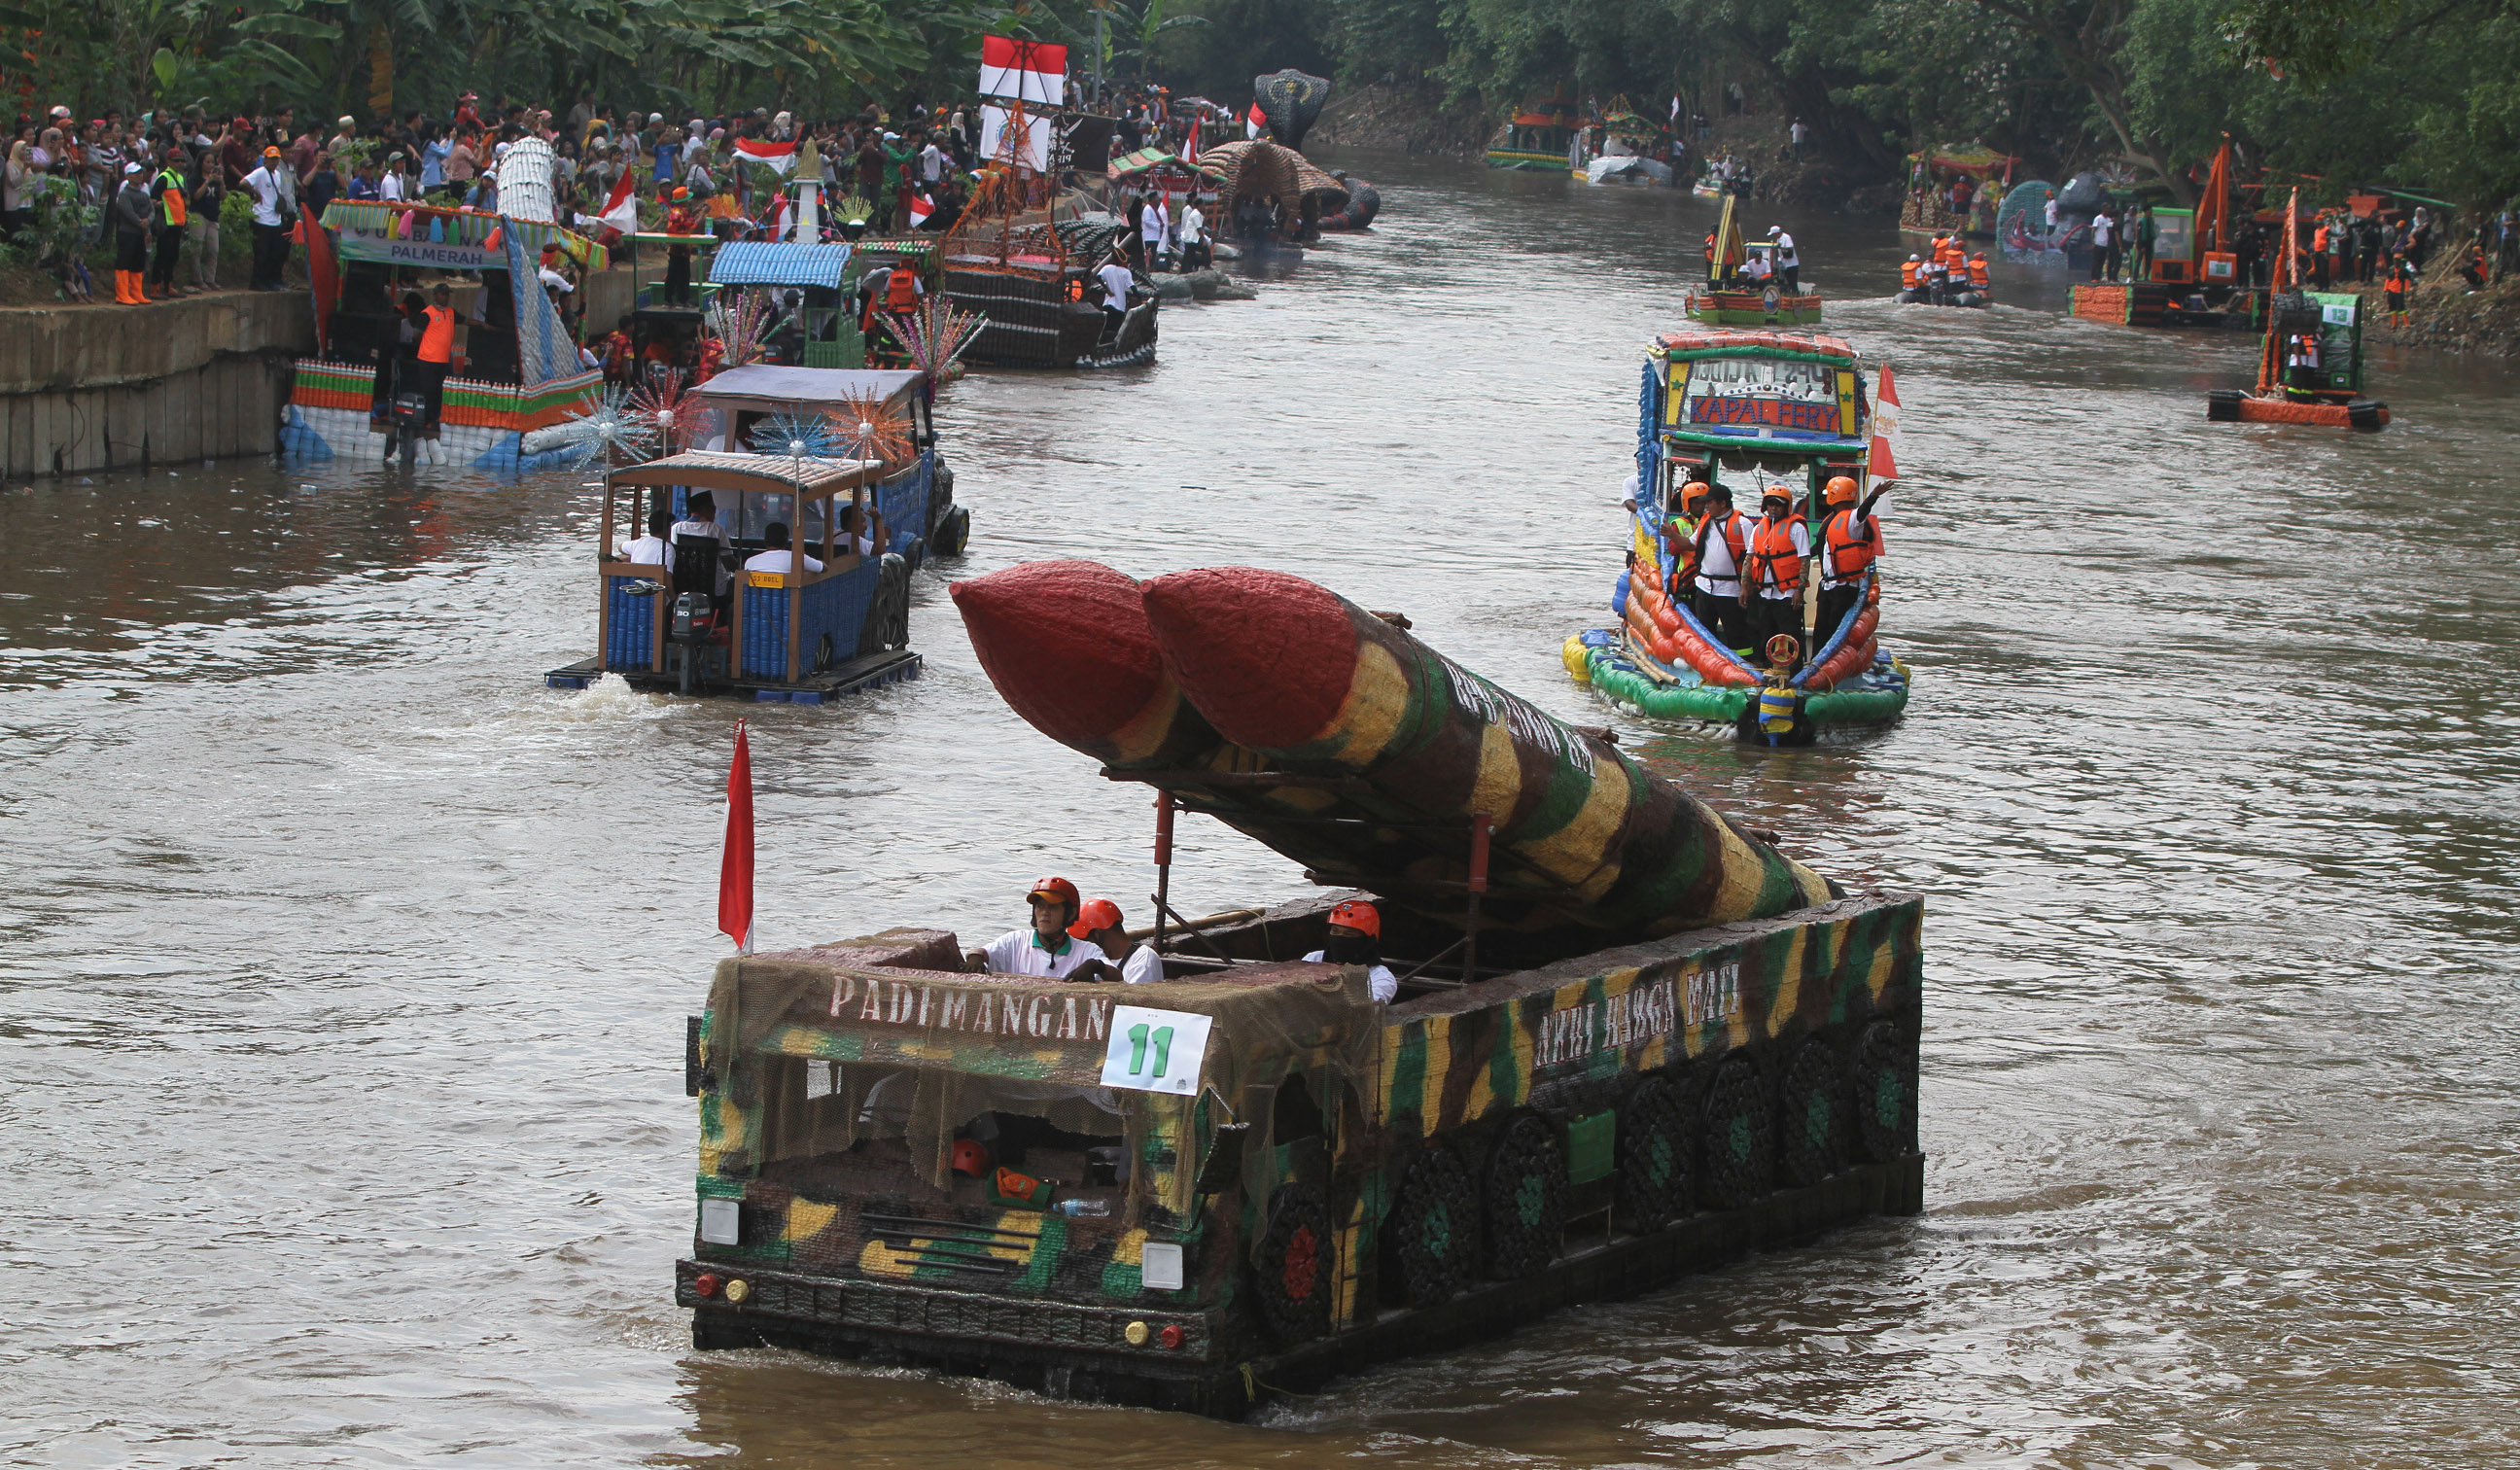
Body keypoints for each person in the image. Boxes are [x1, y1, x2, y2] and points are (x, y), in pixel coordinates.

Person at [971, 877, 1103, 978]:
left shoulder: (1086, 951)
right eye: (1040, 906)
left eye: (1052, 906)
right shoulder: (1016, 941)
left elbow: (1115, 975)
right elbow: (981, 952)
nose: (1045, 912)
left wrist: (1097, 966)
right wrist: (975, 957)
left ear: (1071, 913)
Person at [1741, 484, 1810, 651]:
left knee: (1790, 636)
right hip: (1764, 594)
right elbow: (1749, 559)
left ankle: (1792, 671)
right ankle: (1766, 668)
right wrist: (1745, 586)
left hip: (1787, 595)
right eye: (1770, 504)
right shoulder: (1758, 529)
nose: (1773, 508)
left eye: (1778, 505)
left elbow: (1804, 561)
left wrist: (1799, 590)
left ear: (1786, 507)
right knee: (1765, 635)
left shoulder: (1796, 529)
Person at [1813, 475, 1879, 642]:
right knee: (1820, 630)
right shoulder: (1831, 519)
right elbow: (1822, 546)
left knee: (1834, 629)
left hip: (1844, 588)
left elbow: (1863, 511)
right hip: (1828, 586)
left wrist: (1873, 496)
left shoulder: (1852, 519)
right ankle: (1814, 663)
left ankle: (1830, 662)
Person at [1299, 899, 1398, 1002]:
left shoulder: (1380, 978)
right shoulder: (1313, 959)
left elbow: (1367, 1008)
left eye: (1349, 934)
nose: (1340, 939)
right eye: (1335, 931)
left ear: (1367, 940)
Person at [1690, 482, 1751, 648]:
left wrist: (1745, 587)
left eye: (1710, 502)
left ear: (1723, 503)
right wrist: (1670, 534)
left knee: (1736, 633)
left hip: (1730, 590)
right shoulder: (1706, 523)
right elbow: (1690, 544)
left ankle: (1743, 666)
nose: (1706, 506)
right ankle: (1707, 664)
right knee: (1704, 632)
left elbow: (1751, 558)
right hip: (1705, 588)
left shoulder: (1743, 525)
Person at [1067, 899, 1164, 984]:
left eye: (1084, 942)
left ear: (1097, 935)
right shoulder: (1101, 962)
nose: (1082, 948)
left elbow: (1133, 1000)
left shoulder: (1144, 959)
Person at [242, 145, 290, 291]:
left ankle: (268, 280)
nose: (274, 162)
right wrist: (255, 192)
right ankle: (257, 281)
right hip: (261, 218)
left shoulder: (277, 174)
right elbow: (243, 182)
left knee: (273, 253)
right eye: (271, 159)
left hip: (274, 218)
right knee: (261, 252)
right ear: (266, 159)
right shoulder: (260, 172)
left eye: (276, 159)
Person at [412, 282, 457, 425]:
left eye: (447, 294)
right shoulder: (427, 313)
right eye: (442, 294)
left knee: (440, 392)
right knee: (428, 391)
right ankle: (426, 420)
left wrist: (482, 324)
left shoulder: (450, 312)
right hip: (428, 360)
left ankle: (436, 419)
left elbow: (466, 320)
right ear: (435, 295)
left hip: (443, 360)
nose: (445, 297)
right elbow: (416, 335)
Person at [108, 162, 152, 305]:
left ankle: (136, 292)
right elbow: (127, 212)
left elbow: (151, 211)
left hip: (140, 232)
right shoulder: (124, 194)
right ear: (128, 176)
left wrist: (147, 224)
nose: (139, 175)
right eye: (136, 173)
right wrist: (140, 222)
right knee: (124, 262)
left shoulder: (144, 194)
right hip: (127, 232)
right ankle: (122, 294)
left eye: (140, 173)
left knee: (138, 263)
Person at [148, 153, 187, 298]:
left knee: (173, 256)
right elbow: (153, 197)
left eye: (182, 161)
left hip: (178, 222)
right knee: (162, 256)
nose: (180, 164)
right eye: (177, 161)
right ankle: (154, 288)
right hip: (166, 223)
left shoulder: (180, 178)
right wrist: (159, 205)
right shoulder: (164, 178)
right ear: (169, 161)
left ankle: (168, 286)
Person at [743, 520, 822, 575]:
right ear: (786, 539)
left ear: (765, 540)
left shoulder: (750, 562)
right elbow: (823, 568)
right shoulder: (797, 558)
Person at [1096, 247, 1135, 340]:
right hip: (1119, 306)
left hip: (1107, 303)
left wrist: (1107, 289)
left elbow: (1098, 277)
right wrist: (1140, 298)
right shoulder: (1126, 272)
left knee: (1105, 327)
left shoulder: (1107, 268)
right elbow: (1133, 287)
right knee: (1114, 329)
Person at [1768, 225, 1799, 293]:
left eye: (1773, 234)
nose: (1773, 236)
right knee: (1783, 282)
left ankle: (1796, 296)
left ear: (1777, 233)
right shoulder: (1778, 239)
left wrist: (1779, 247)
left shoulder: (1786, 237)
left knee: (1793, 283)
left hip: (1792, 265)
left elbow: (1789, 249)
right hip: (1784, 265)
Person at [2385, 254, 2412, 329]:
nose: (2396, 262)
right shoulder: (2391, 269)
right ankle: (2394, 324)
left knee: (2401, 308)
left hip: (2399, 291)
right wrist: (2385, 289)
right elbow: (2388, 280)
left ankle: (2406, 324)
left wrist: (2406, 290)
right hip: (2391, 291)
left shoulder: (2404, 270)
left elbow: (2407, 281)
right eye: (2395, 260)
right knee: (2392, 307)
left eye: (2398, 260)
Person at [2089, 207, 2115, 282]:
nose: (2108, 211)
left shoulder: (2109, 220)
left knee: (2102, 261)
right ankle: (2094, 277)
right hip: (2098, 243)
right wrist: (2093, 242)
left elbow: (2110, 230)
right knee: (2096, 261)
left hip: (2105, 243)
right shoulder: (2098, 218)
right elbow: (2093, 230)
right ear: (2103, 209)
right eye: (2107, 209)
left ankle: (2098, 277)